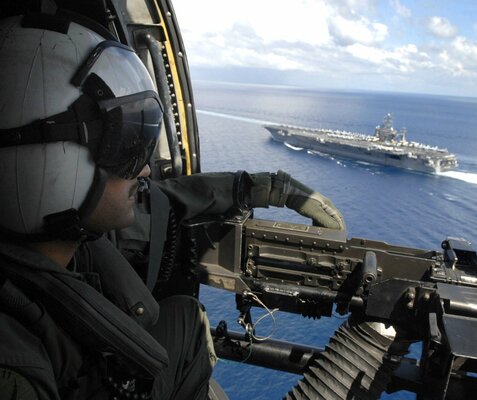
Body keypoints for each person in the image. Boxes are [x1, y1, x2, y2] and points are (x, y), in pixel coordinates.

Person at [0, 13, 344, 400]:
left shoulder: (69, 238)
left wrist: (266, 189)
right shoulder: (15, 369)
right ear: (51, 165)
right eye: (127, 149)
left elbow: (163, 201)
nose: (145, 168)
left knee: (184, 315)